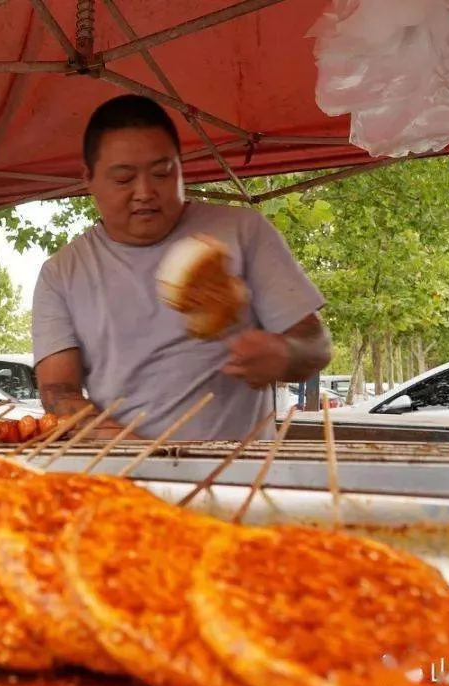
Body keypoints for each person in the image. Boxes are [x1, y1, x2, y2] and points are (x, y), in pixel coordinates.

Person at [31, 94, 331, 440]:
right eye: (124, 179)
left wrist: (285, 354)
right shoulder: (61, 273)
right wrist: (130, 447)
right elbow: (57, 391)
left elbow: (317, 345)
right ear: (89, 178)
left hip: (244, 466)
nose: (145, 192)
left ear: (181, 168)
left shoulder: (244, 231)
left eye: (162, 173)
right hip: (122, 465)